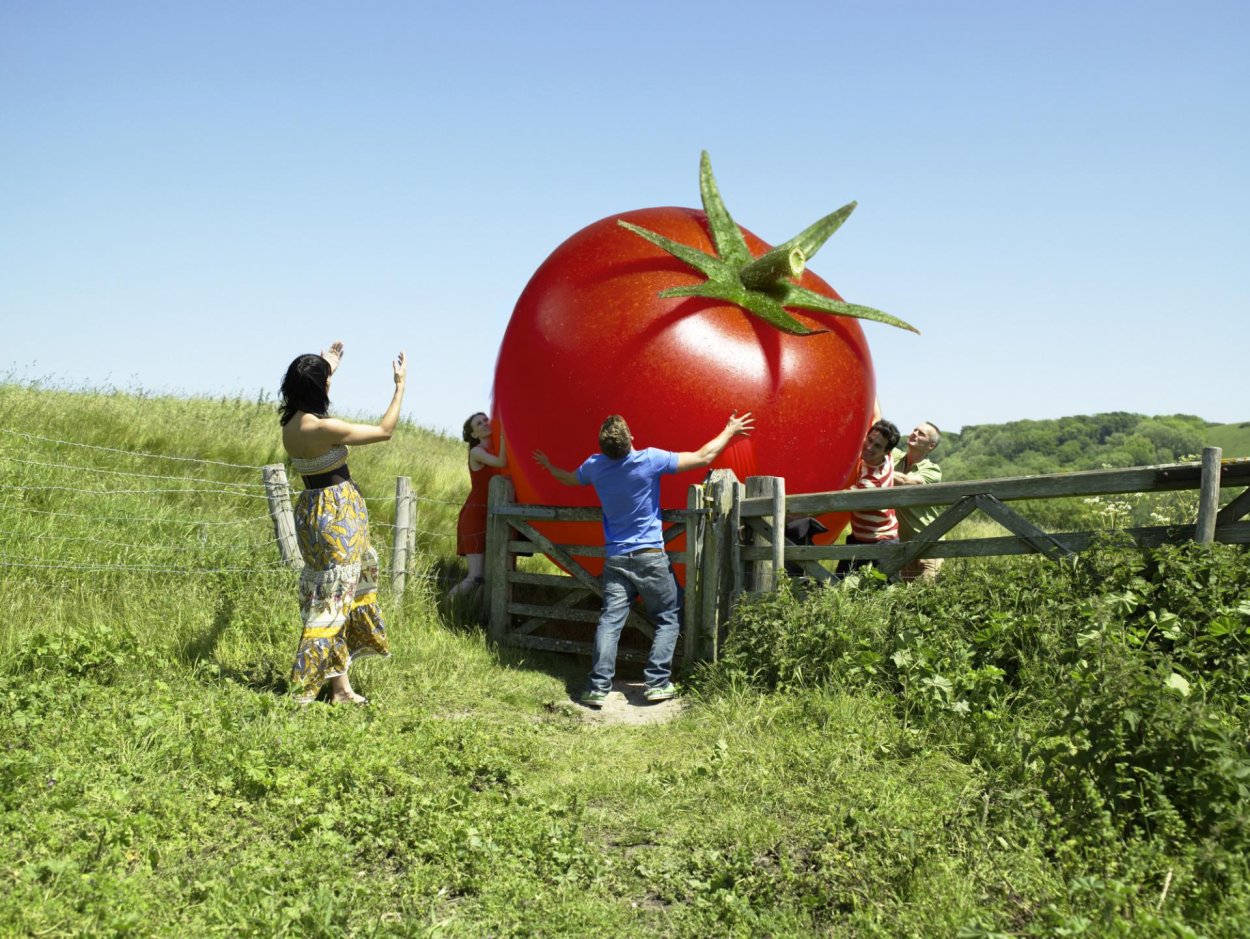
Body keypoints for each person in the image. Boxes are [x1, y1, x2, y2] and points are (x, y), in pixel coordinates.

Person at [533, 411, 754, 708]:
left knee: (610, 622)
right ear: (631, 438)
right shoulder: (649, 460)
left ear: (602, 447)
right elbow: (704, 457)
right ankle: (657, 683)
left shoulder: (594, 466)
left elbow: (568, 480)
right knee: (669, 615)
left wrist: (548, 467)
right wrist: (729, 431)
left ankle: (597, 688)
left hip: (616, 559)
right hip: (650, 557)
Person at [279, 340, 407, 705]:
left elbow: (313, 387)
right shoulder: (323, 428)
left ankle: (341, 689)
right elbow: (384, 431)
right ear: (319, 388)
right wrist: (399, 387)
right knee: (333, 601)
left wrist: (327, 364)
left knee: (335, 594)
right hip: (337, 515)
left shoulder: (290, 423)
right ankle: (301, 688)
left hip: (311, 511)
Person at [449, 412, 507, 598]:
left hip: (492, 515)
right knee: (475, 577)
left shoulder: (495, 448)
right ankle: (445, 608)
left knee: (487, 578)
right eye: (479, 424)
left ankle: (473, 614)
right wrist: (507, 434)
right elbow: (501, 462)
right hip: (475, 517)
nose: (484, 424)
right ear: (474, 435)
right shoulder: (477, 452)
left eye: (485, 420)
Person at [837, 419, 901, 576]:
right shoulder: (888, 457)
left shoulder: (872, 481)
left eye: (877, 446)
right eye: (870, 439)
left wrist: (798, 513)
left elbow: (836, 501)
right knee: (840, 583)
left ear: (886, 451)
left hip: (882, 541)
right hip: (860, 536)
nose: (869, 447)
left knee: (887, 591)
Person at [892, 421, 944, 582]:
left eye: (921, 433)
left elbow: (909, 482)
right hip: (904, 547)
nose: (914, 433)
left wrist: (880, 472)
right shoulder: (895, 457)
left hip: (929, 545)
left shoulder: (932, 470)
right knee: (908, 600)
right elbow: (877, 434)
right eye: (915, 430)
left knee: (928, 596)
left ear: (931, 446)